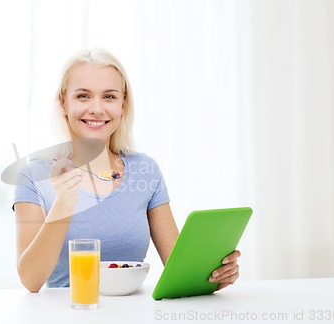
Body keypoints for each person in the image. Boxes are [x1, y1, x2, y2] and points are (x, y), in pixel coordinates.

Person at [13, 48, 241, 293]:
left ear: (123, 104)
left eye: (109, 97)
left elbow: (180, 270)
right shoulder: (33, 175)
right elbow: (31, 280)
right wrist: (64, 203)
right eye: (83, 96)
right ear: (63, 103)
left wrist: (215, 275)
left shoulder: (145, 170)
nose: (97, 109)